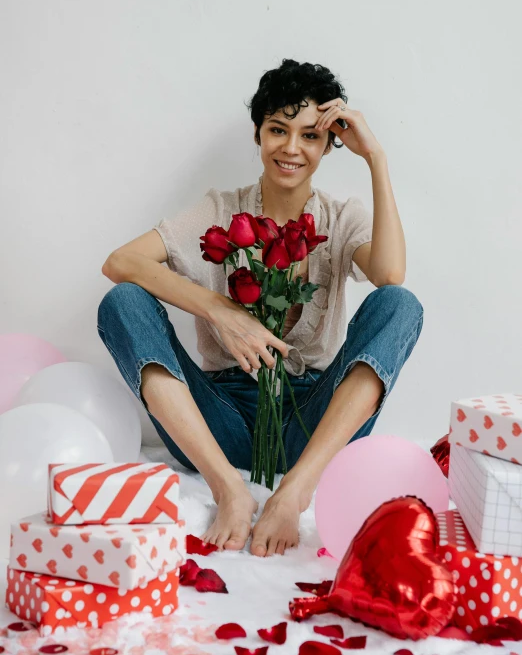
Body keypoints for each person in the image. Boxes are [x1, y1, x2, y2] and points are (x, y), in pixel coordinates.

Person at [97, 58, 424, 557]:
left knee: (399, 305)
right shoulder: (220, 210)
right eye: (277, 130)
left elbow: (390, 275)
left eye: (311, 136)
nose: (291, 149)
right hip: (215, 423)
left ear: (326, 146)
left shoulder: (340, 218)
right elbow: (121, 262)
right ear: (257, 134)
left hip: (309, 424)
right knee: (123, 301)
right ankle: (229, 488)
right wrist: (218, 310)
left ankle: (295, 490)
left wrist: (375, 157)